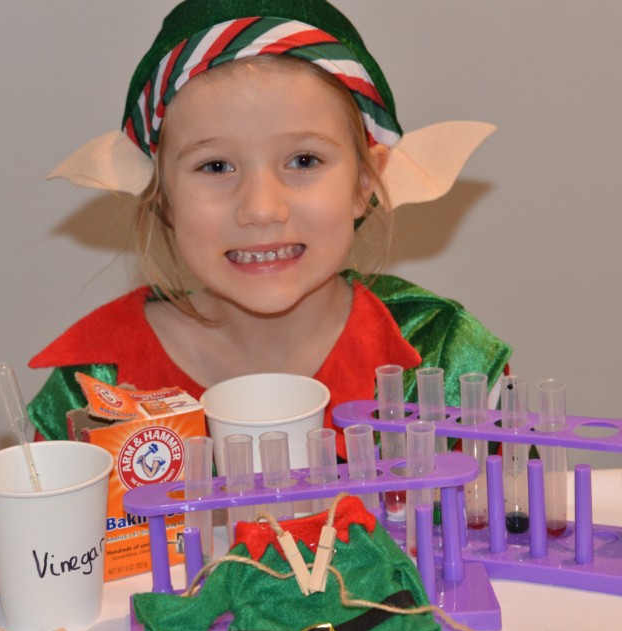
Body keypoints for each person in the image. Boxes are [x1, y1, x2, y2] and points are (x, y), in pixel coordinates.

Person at [27, 0, 511, 462]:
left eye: (304, 160)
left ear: (366, 182)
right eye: (215, 166)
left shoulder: (445, 358)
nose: (261, 209)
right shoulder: (93, 387)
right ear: (163, 197)